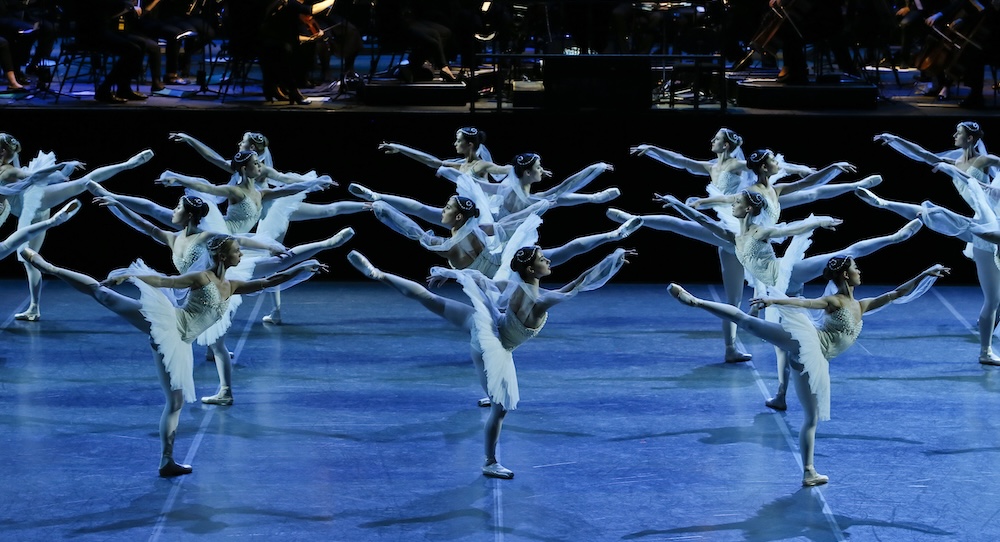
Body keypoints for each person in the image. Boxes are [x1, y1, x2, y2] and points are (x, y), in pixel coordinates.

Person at [20, 237, 327, 477]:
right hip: (167, 323)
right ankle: (47, 267)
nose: (241, 256)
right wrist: (129, 275)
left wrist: (305, 268)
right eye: (237, 251)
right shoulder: (201, 277)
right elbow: (166, 282)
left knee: (176, 402)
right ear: (223, 256)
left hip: (180, 342)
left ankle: (167, 461)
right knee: (103, 294)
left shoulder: (231, 285)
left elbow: (271, 282)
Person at [347, 244, 632, 479]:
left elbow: (482, 280)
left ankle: (378, 274)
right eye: (543, 259)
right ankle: (489, 461)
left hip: (484, 322)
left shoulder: (517, 283)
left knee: (431, 300)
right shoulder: (539, 300)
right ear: (532, 269)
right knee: (501, 408)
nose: (548, 261)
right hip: (492, 346)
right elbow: (580, 284)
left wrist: (450, 272)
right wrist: (613, 258)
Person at [667, 257, 950, 486]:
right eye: (856, 269)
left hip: (810, 361)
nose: (860, 272)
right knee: (749, 324)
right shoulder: (836, 301)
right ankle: (696, 302)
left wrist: (925, 272)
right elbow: (806, 303)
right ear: (845, 276)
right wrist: (775, 301)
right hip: (807, 343)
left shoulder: (861, 305)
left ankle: (808, 470)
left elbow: (897, 292)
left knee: (811, 418)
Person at [93, 190, 354, 403]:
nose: (173, 211)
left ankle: (325, 245)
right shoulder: (173, 238)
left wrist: (270, 245)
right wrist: (116, 205)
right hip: (189, 290)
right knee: (213, 341)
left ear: (190, 215)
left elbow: (239, 238)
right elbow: (144, 224)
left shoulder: (207, 236)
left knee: (262, 280)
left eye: (178, 207)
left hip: (213, 287)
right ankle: (224, 388)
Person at [0, 134, 155, 322]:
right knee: (29, 259)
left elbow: (33, 176)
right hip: (31, 211)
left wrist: (57, 168)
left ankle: (127, 165)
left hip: (35, 201)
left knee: (83, 183)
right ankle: (34, 307)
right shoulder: (6, 168)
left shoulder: (8, 171)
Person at [378, 126, 510, 183]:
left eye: (459, 141)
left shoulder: (482, 165)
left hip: (481, 213)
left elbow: (507, 169)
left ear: (469, 145)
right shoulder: (463, 165)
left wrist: (526, 165)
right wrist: (400, 148)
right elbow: (431, 161)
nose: (455, 144)